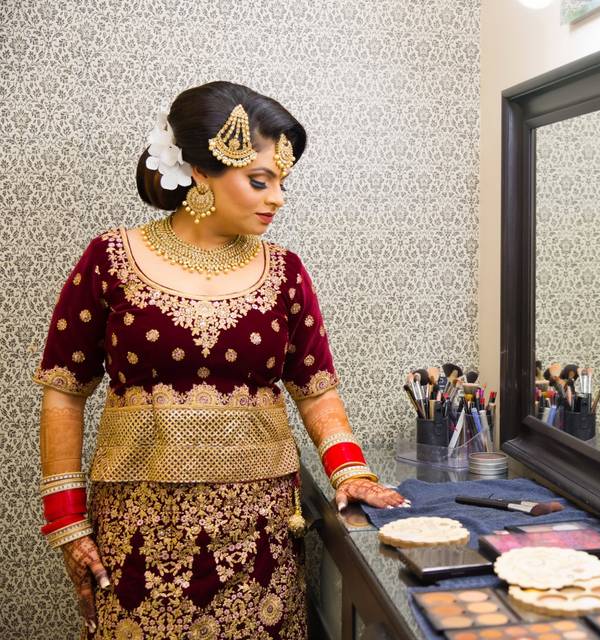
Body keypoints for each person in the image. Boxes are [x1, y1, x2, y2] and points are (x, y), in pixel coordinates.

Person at [34, 81, 406, 638]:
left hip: (259, 530)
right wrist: (66, 521)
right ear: (201, 172)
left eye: (281, 181)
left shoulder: (285, 271)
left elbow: (317, 389)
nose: (277, 197)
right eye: (260, 180)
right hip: (138, 522)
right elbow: (64, 389)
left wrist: (351, 472)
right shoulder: (111, 258)